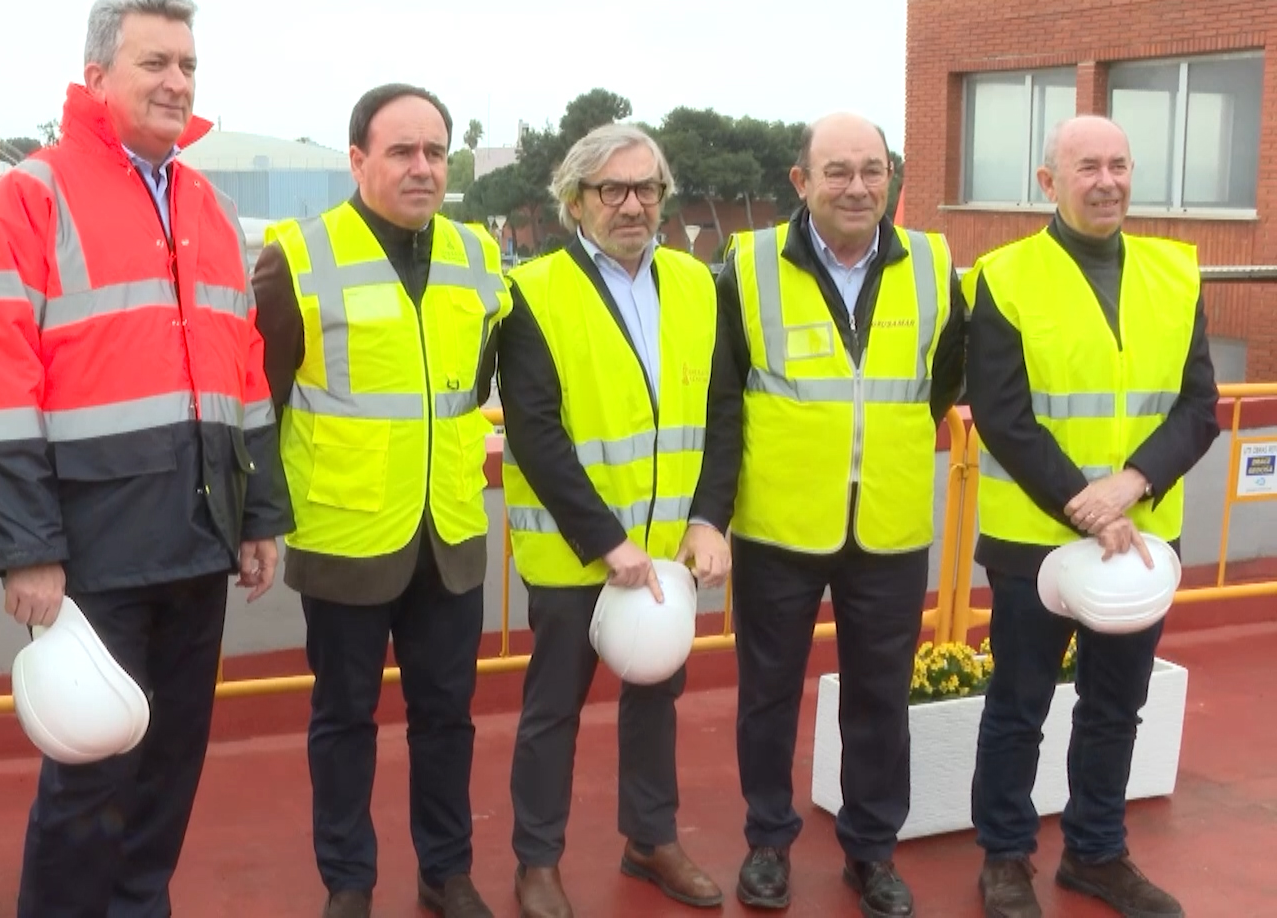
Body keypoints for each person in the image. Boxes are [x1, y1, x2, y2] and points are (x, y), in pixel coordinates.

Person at [0, 0, 292, 918]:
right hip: (90, 556)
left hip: (197, 540)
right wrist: (28, 549)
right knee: (89, 780)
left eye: (188, 65)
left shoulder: (207, 206)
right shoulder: (27, 201)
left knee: (169, 774)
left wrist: (259, 516)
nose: (178, 81)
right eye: (156, 62)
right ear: (95, 75)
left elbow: (244, 371)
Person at [684, 112, 965, 916]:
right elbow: (723, 404)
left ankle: (872, 851)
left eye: (872, 170)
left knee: (881, 699)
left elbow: (943, 381)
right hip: (779, 525)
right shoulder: (747, 268)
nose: (857, 187)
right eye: (836, 171)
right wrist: (712, 515)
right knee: (768, 695)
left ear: (891, 177)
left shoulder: (933, 264)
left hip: (889, 524)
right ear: (800, 182)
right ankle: (768, 843)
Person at [253, 83, 510, 918]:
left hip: (451, 531)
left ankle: (446, 872)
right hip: (346, 533)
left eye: (435, 151)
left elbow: (474, 383)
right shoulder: (298, 257)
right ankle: (349, 882)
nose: (422, 167)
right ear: (358, 160)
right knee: (343, 720)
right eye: (402, 151)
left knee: (448, 717)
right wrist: (259, 520)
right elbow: (262, 401)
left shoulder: (479, 255)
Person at [964, 115, 1214, 918]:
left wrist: (1131, 485)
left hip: (1138, 540)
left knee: (1115, 707)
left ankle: (1096, 853)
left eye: (1119, 165)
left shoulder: (1176, 272)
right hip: (1036, 544)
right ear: (1048, 182)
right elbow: (1003, 416)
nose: (1107, 182)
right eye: (1087, 168)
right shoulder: (1004, 277)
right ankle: (1005, 859)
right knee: (1018, 706)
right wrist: (1089, 506)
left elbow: (1199, 406)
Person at [496, 124, 726, 916]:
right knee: (552, 712)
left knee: (656, 697)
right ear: (575, 201)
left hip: (667, 551)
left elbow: (723, 411)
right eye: (612, 190)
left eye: (647, 188)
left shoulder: (697, 283)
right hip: (577, 555)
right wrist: (606, 542)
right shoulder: (533, 292)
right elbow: (535, 431)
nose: (633, 205)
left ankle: (651, 839)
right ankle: (537, 861)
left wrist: (709, 519)